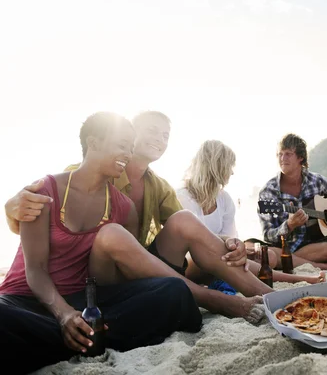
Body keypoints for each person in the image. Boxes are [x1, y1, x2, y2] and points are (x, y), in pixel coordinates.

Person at [4, 111, 271, 323]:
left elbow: (191, 234)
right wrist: (10, 209)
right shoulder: (65, 180)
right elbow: (40, 239)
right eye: (151, 131)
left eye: (166, 135)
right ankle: (211, 298)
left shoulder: (153, 190)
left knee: (183, 220)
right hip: (68, 283)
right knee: (112, 235)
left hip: (114, 273)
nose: (159, 139)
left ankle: (269, 296)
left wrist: (229, 242)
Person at [0, 112, 203, 374]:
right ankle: (87, 338)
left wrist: (81, 313)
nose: (128, 154)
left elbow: (122, 275)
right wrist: (64, 315)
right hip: (26, 300)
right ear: (93, 143)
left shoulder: (124, 207)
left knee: (173, 291)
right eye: (122, 145)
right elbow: (35, 269)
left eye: (130, 147)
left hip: (86, 302)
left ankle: (78, 337)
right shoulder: (43, 192)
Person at [176, 139, 326, 285]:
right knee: (227, 258)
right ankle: (298, 280)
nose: (232, 172)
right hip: (191, 264)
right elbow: (195, 245)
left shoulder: (224, 199)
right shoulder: (183, 197)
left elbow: (231, 237)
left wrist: (242, 250)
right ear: (217, 166)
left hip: (220, 259)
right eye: (229, 166)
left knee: (269, 257)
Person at [258, 133, 327, 266]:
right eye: (280, 154)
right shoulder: (268, 191)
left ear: (300, 157)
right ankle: (317, 264)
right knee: (252, 245)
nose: (282, 158)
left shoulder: (316, 181)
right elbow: (267, 235)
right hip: (285, 247)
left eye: (288, 154)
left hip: (314, 246)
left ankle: (288, 261)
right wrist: (289, 225)